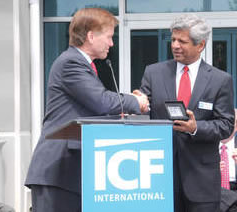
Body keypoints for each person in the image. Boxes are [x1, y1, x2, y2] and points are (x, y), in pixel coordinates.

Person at [25, 8, 148, 212]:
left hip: (71, 174)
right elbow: (101, 101)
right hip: (58, 171)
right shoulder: (70, 63)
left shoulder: (82, 64)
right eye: (109, 37)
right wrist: (136, 101)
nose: (112, 43)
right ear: (91, 36)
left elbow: (95, 109)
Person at [137, 14, 235, 212]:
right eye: (173, 39)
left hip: (201, 181)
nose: (175, 45)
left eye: (182, 41)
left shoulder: (220, 80)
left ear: (201, 45)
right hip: (158, 176)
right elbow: (143, 113)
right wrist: (136, 104)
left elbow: (226, 125)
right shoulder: (153, 73)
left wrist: (196, 128)